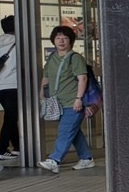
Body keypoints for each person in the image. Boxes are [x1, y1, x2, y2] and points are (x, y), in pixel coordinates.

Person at [37, 25, 92, 173]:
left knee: (65, 131)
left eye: (65, 38)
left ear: (70, 41)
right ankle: (86, 158)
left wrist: (79, 98)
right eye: (58, 38)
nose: (61, 41)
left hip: (73, 102)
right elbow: (46, 77)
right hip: (58, 103)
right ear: (53, 40)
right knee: (73, 131)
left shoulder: (75, 58)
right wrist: (42, 94)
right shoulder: (52, 58)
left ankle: (54, 160)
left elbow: (83, 78)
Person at [0, 16, 18, 162]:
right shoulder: (19, 43)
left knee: (11, 114)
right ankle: (1, 149)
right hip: (13, 84)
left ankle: (18, 147)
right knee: (11, 116)